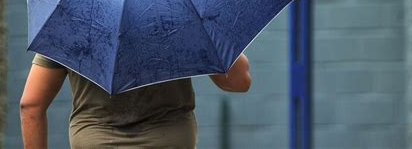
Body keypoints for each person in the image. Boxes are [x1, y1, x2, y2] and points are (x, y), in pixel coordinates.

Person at [20, 52, 251, 149]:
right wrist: (212, 26)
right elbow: (238, 82)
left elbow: (30, 105)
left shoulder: (70, 19)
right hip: (168, 142)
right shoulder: (179, 11)